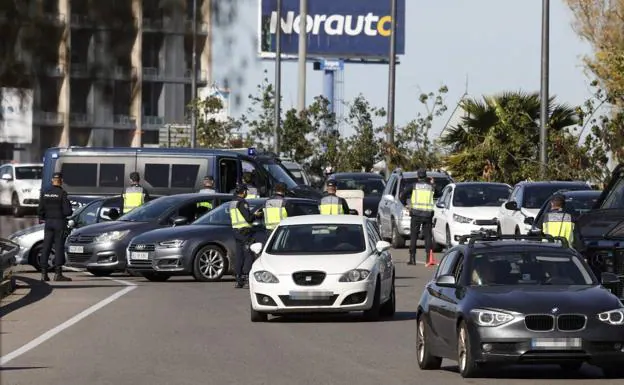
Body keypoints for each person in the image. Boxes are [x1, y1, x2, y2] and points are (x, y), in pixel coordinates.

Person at [37, 172, 73, 282]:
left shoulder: (45, 193)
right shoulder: (62, 193)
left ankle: (44, 274)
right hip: (59, 223)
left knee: (46, 246)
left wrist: (46, 216)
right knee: (58, 247)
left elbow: (40, 210)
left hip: (48, 223)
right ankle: (58, 274)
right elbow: (68, 212)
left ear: (52, 180)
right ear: (61, 181)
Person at [400, 169, 434, 265]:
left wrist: (406, 205)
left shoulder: (414, 186)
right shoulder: (430, 187)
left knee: (414, 236)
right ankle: (428, 259)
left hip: (415, 214)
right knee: (428, 236)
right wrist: (433, 183)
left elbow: (402, 195)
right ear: (426, 176)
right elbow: (440, 193)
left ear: (418, 177)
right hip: (427, 215)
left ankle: (412, 259)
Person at [229, 184, 259, 288]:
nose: (247, 193)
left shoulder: (232, 202)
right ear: (243, 192)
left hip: (236, 231)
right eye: (246, 191)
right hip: (245, 231)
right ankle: (246, 278)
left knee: (239, 255)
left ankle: (238, 279)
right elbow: (249, 218)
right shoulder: (242, 202)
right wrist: (256, 215)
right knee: (248, 254)